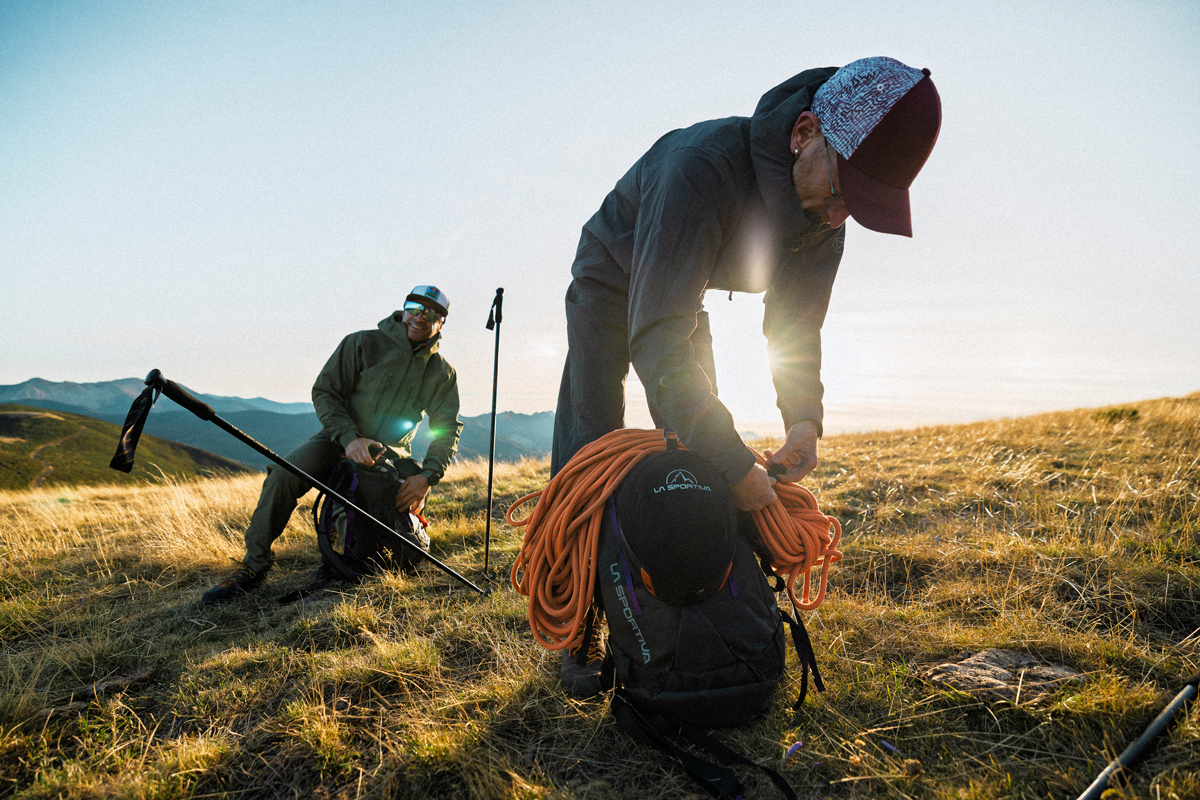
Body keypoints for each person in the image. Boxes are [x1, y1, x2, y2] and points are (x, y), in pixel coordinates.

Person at [551, 56, 942, 514]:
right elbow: (658, 340)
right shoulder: (700, 169)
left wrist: (803, 420)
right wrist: (735, 466)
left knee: (696, 449)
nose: (839, 218)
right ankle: (572, 560)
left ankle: (686, 567)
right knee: (593, 443)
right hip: (610, 270)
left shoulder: (823, 216)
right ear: (804, 134)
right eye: (842, 192)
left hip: (681, 289)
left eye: (859, 206)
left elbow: (796, 325)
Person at [202, 285, 463, 604]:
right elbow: (326, 392)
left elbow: (447, 427)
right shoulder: (362, 343)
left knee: (376, 512)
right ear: (403, 308)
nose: (419, 317)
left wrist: (428, 476)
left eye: (431, 313)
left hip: (390, 455)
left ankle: (362, 550)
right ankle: (253, 567)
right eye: (414, 306)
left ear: (441, 323)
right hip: (334, 440)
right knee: (283, 478)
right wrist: (350, 438)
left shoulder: (442, 373)